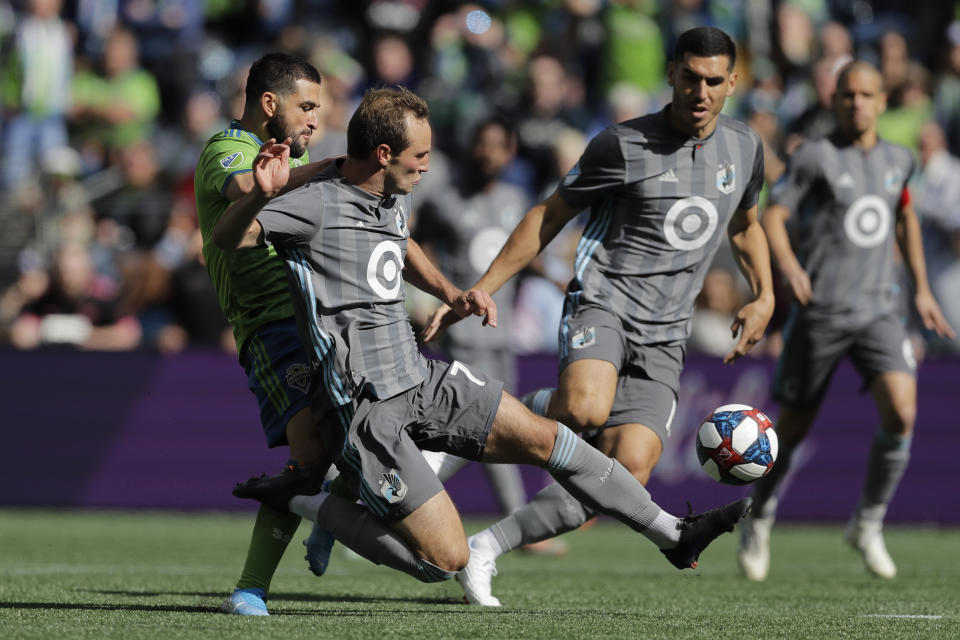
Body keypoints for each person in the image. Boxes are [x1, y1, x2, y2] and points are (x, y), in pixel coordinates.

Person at [213, 85, 752, 595]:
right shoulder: (316, 203)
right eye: (420, 155)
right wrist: (259, 197)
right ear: (382, 153)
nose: (427, 165)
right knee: (443, 563)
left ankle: (674, 535)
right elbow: (227, 238)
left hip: (422, 376)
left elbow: (397, 246)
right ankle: (309, 497)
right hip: (363, 408)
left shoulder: (391, 194)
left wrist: (452, 292)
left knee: (552, 441)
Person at [423, 26, 775, 606]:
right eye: (691, 77)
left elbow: (745, 224)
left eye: (715, 81)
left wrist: (763, 294)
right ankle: (474, 412)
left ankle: (485, 548)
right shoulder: (622, 144)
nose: (701, 91)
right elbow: (549, 213)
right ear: (670, 73)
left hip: (666, 334)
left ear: (734, 82)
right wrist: (480, 288)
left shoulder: (745, 148)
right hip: (604, 300)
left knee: (624, 472)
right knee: (586, 406)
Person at [737, 60, 955, 582]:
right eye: (847, 94)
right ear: (834, 101)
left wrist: (922, 290)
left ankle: (868, 522)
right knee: (791, 427)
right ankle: (760, 515)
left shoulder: (900, 159)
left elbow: (904, 215)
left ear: (883, 102)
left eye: (866, 94)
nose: (856, 103)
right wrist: (788, 266)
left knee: (902, 412)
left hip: (881, 309)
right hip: (823, 312)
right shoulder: (815, 156)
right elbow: (774, 215)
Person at [193, 52, 335, 616]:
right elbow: (244, 191)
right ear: (269, 104)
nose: (314, 121)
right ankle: (251, 588)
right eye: (306, 107)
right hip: (271, 325)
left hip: (324, 318)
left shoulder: (296, 160)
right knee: (308, 452)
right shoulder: (226, 150)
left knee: (364, 434)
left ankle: (329, 512)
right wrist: (326, 170)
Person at [413, 116, 532, 525]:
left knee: (496, 435)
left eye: (498, 146)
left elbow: (525, 258)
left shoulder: (517, 200)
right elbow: (414, 247)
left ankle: (398, 498)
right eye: (483, 145)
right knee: (482, 429)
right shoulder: (445, 200)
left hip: (503, 334)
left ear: (510, 151)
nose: (489, 154)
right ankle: (400, 502)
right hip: (463, 335)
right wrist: (421, 296)